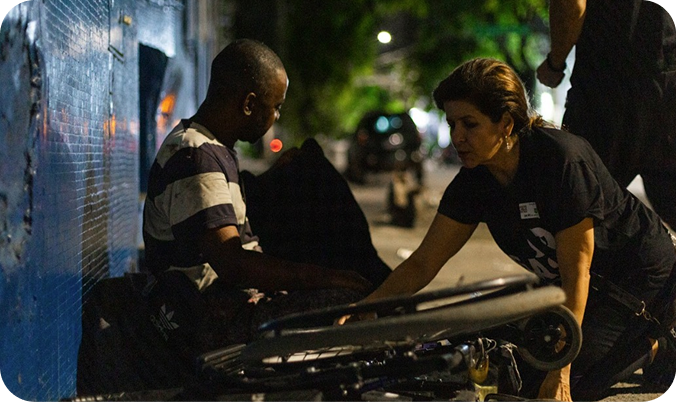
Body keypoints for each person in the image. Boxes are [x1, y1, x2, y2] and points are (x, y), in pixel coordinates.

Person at [354, 58, 675, 401]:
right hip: (573, 287)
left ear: (506, 124)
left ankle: (654, 344)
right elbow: (423, 263)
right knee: (477, 352)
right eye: (452, 124)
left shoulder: (561, 160)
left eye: (469, 124)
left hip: (639, 282)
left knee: (547, 384)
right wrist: (366, 309)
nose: (457, 137)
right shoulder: (474, 180)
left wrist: (560, 371)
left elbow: (576, 271)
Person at [141, 39, 380, 362]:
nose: (277, 115)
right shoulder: (196, 155)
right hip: (208, 320)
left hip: (226, 307)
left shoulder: (211, 149)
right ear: (249, 104)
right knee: (350, 300)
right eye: (276, 106)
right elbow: (233, 265)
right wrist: (328, 277)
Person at [536, 0, 676, 232]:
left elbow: (572, 6)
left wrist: (555, 63)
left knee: (577, 203)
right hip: (668, 76)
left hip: (608, 83)